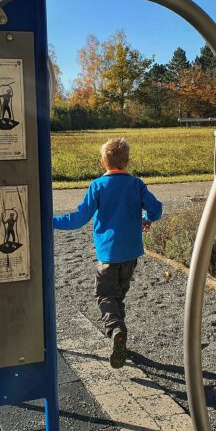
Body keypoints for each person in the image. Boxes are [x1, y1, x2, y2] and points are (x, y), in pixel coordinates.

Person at [53, 138, 163, 368]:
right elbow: (156, 208)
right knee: (118, 297)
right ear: (127, 161)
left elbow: (79, 218)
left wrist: (51, 222)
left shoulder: (98, 186)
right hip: (131, 254)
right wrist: (147, 219)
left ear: (103, 161)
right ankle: (119, 338)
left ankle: (115, 330)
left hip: (108, 255)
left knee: (104, 296)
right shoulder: (136, 184)